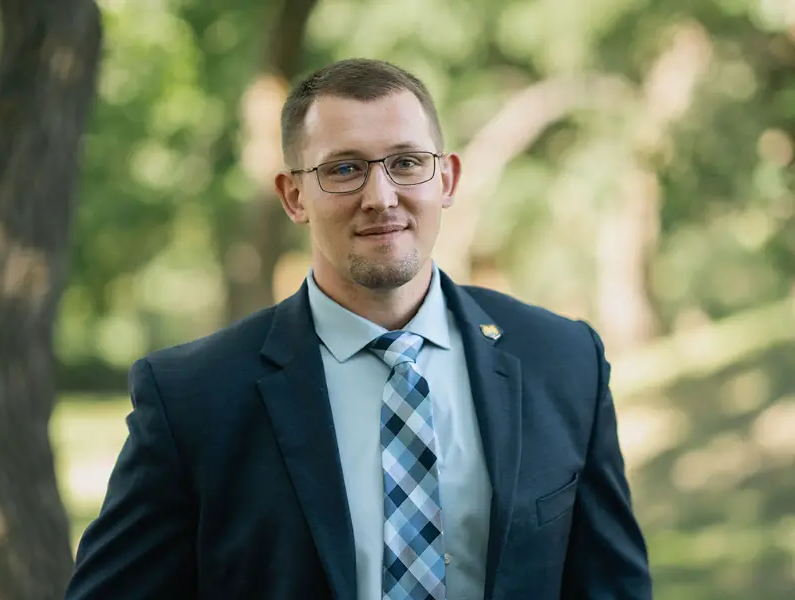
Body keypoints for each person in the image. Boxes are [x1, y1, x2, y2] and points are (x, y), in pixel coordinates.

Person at [65, 58, 652, 600]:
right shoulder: (191, 398)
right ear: (294, 196)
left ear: (445, 179)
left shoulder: (563, 361)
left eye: (405, 163)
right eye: (343, 169)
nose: (380, 196)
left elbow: (612, 586)